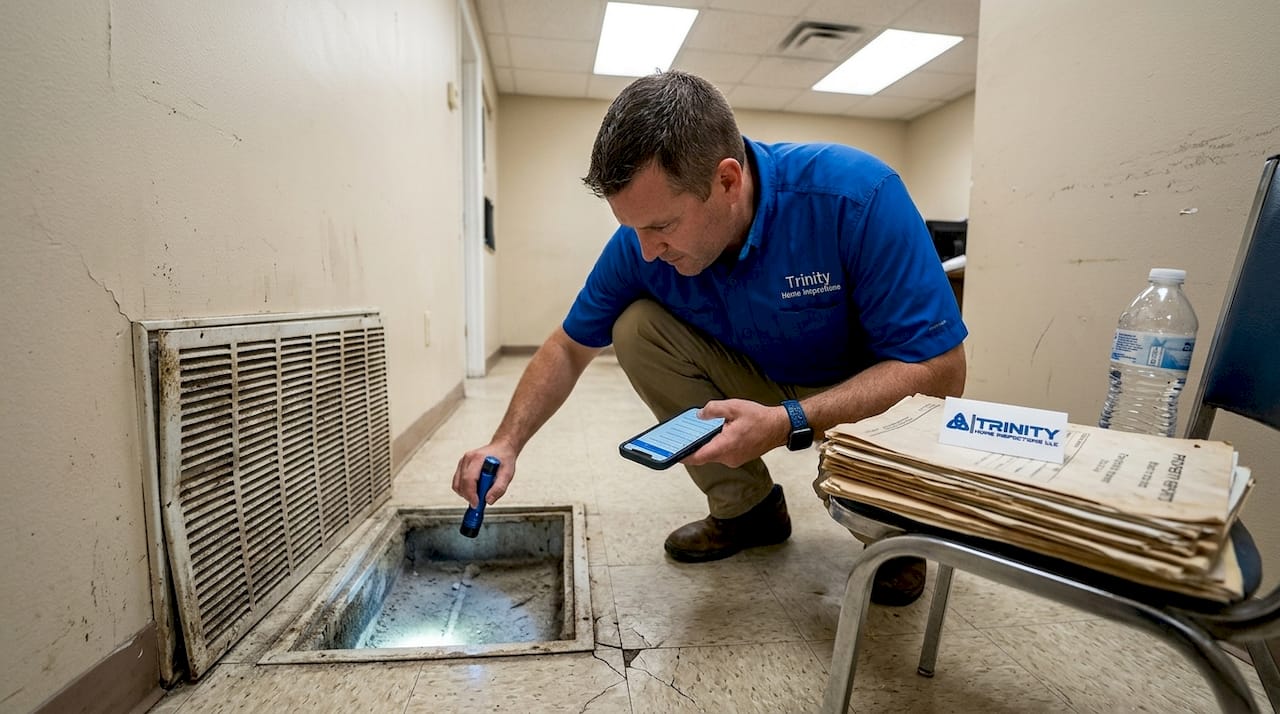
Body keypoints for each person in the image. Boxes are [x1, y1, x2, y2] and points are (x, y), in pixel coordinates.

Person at [454, 70, 967, 606]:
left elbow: (941, 371)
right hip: (758, 378)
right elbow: (568, 347)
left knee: (886, 509)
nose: (648, 250)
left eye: (662, 226)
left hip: (864, 393)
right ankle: (748, 510)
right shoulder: (639, 247)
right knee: (635, 327)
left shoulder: (855, 196)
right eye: (634, 229)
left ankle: (892, 531)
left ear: (727, 181)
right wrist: (505, 442)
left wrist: (787, 422)